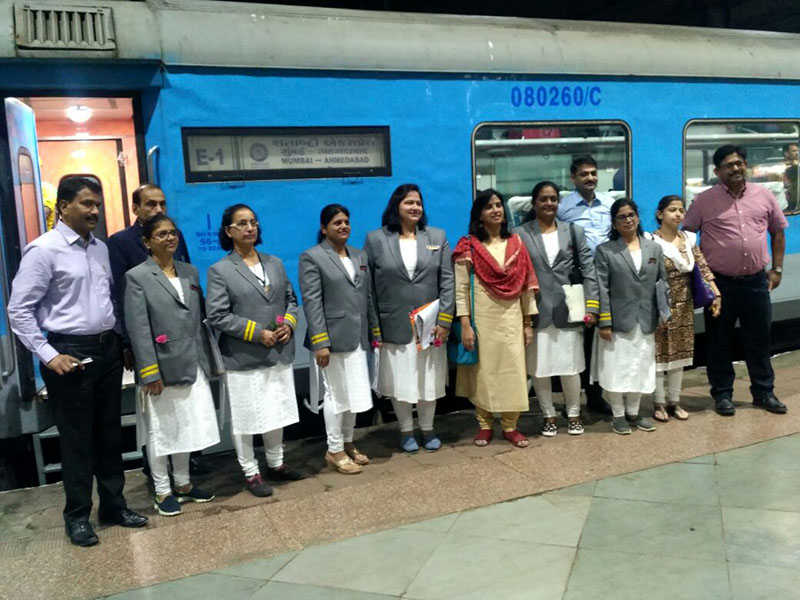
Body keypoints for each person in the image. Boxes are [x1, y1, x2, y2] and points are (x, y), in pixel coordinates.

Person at [7, 176, 147, 547]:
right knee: (77, 439)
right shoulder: (43, 251)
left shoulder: (100, 249)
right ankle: (77, 516)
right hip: (69, 352)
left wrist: (121, 342)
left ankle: (114, 505)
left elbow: (107, 303)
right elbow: (18, 311)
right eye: (87, 204)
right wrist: (49, 355)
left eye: (97, 204)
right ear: (64, 206)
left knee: (109, 434)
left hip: (107, 350)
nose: (95, 211)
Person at [107, 184, 208, 476]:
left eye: (162, 204)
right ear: (135, 209)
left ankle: (186, 464)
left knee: (185, 405)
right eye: (151, 204)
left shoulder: (177, 236)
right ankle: (157, 474)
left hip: (183, 341)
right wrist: (127, 342)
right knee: (157, 412)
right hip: (149, 340)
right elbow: (120, 293)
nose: (159, 210)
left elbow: (187, 282)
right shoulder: (121, 243)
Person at [206, 204, 306, 497]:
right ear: (229, 231)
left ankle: (276, 463)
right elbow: (217, 315)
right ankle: (250, 472)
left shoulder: (274, 262)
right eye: (242, 223)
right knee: (247, 416)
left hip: (278, 352)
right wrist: (255, 333)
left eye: (253, 222)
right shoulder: (220, 270)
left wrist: (288, 323)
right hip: (244, 357)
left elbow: (290, 298)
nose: (250, 228)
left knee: (276, 409)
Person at [124, 215, 220, 516]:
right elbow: (139, 328)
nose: (169, 239)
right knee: (161, 431)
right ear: (147, 241)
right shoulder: (137, 276)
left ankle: (183, 484)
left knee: (186, 426)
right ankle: (162, 490)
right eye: (162, 234)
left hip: (192, 362)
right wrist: (149, 371)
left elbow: (197, 320)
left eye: (173, 233)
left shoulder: (189, 272)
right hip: (161, 368)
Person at [683, 144, 789, 416]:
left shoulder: (764, 195)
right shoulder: (704, 201)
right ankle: (722, 395)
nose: (736, 168)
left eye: (739, 163)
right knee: (719, 340)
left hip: (756, 282)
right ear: (717, 171)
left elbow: (777, 232)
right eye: (729, 165)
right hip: (720, 285)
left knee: (759, 339)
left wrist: (776, 268)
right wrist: (701, 277)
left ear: (746, 165)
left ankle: (764, 392)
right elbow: (686, 235)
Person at [364, 184, 454, 453]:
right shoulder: (376, 239)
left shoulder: (437, 236)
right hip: (394, 323)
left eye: (418, 203)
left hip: (430, 324)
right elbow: (369, 288)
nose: (415, 207)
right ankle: (406, 431)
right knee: (401, 380)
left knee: (429, 378)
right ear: (396, 206)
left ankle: (427, 428)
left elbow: (447, 281)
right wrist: (374, 326)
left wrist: (445, 321)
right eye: (408, 203)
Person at [453, 189, 538, 448]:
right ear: (479, 213)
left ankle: (511, 426)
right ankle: (485, 425)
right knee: (484, 373)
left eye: (499, 205)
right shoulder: (468, 246)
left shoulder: (516, 244)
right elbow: (460, 289)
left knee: (513, 371)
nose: (496, 210)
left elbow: (525, 286)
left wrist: (527, 323)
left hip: (511, 318)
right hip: (483, 320)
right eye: (489, 206)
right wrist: (465, 324)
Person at [299, 204, 380, 474]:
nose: (343, 226)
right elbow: (312, 302)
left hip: (357, 337)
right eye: (337, 222)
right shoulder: (312, 257)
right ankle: (334, 449)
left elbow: (367, 297)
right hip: (331, 340)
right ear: (324, 228)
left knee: (355, 393)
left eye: (346, 221)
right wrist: (320, 341)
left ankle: (348, 442)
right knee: (335, 395)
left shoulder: (359, 256)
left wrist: (374, 331)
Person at [516, 181, 599, 436]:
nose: (549, 203)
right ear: (534, 203)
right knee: (539, 368)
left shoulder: (573, 231)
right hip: (536, 309)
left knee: (571, 367)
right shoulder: (520, 234)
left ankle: (573, 413)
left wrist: (593, 306)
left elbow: (589, 270)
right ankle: (548, 414)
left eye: (553, 199)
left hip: (568, 308)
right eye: (543, 199)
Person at [592, 198, 665, 435]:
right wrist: (604, 320)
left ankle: (634, 412)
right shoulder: (605, 251)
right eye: (621, 217)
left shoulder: (653, 248)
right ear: (614, 223)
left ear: (638, 217)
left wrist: (664, 314)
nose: (628, 220)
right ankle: (618, 415)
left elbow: (661, 285)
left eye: (631, 215)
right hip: (617, 322)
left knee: (640, 367)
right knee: (616, 369)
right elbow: (601, 287)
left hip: (646, 320)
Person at [651, 196, 721, 422]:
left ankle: (675, 401)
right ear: (660, 214)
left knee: (680, 355)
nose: (678, 214)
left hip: (685, 305)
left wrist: (716, 293)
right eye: (672, 210)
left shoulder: (689, 240)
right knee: (659, 355)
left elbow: (702, 267)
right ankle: (659, 403)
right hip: (660, 305)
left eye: (681, 210)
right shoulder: (651, 241)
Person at [556, 155, 615, 414]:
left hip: (606, 278)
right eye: (584, 174)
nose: (590, 177)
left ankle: (595, 396)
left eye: (593, 173)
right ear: (573, 178)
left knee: (597, 340)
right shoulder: (563, 207)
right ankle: (570, 399)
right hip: (577, 279)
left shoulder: (610, 204)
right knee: (573, 338)